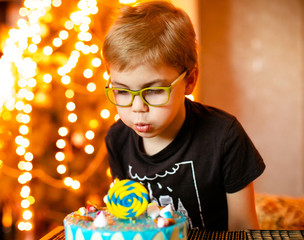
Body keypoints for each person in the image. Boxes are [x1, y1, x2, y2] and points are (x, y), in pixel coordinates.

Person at [102, 0, 265, 231]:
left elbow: (243, 228)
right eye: (122, 91)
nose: (137, 107)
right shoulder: (117, 140)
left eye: (155, 90)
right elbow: (129, 223)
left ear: (189, 81)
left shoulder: (224, 137)